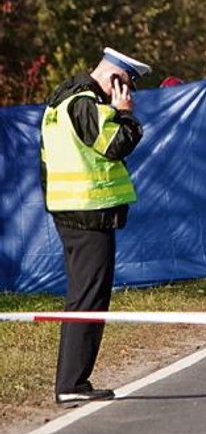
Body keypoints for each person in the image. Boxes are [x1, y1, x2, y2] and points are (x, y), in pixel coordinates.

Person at [40, 47, 150, 404]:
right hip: (89, 212)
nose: (128, 93)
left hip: (69, 209)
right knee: (89, 299)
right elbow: (115, 146)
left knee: (81, 297)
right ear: (115, 79)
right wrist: (126, 115)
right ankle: (72, 385)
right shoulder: (87, 104)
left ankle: (71, 382)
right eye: (127, 84)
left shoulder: (60, 102)